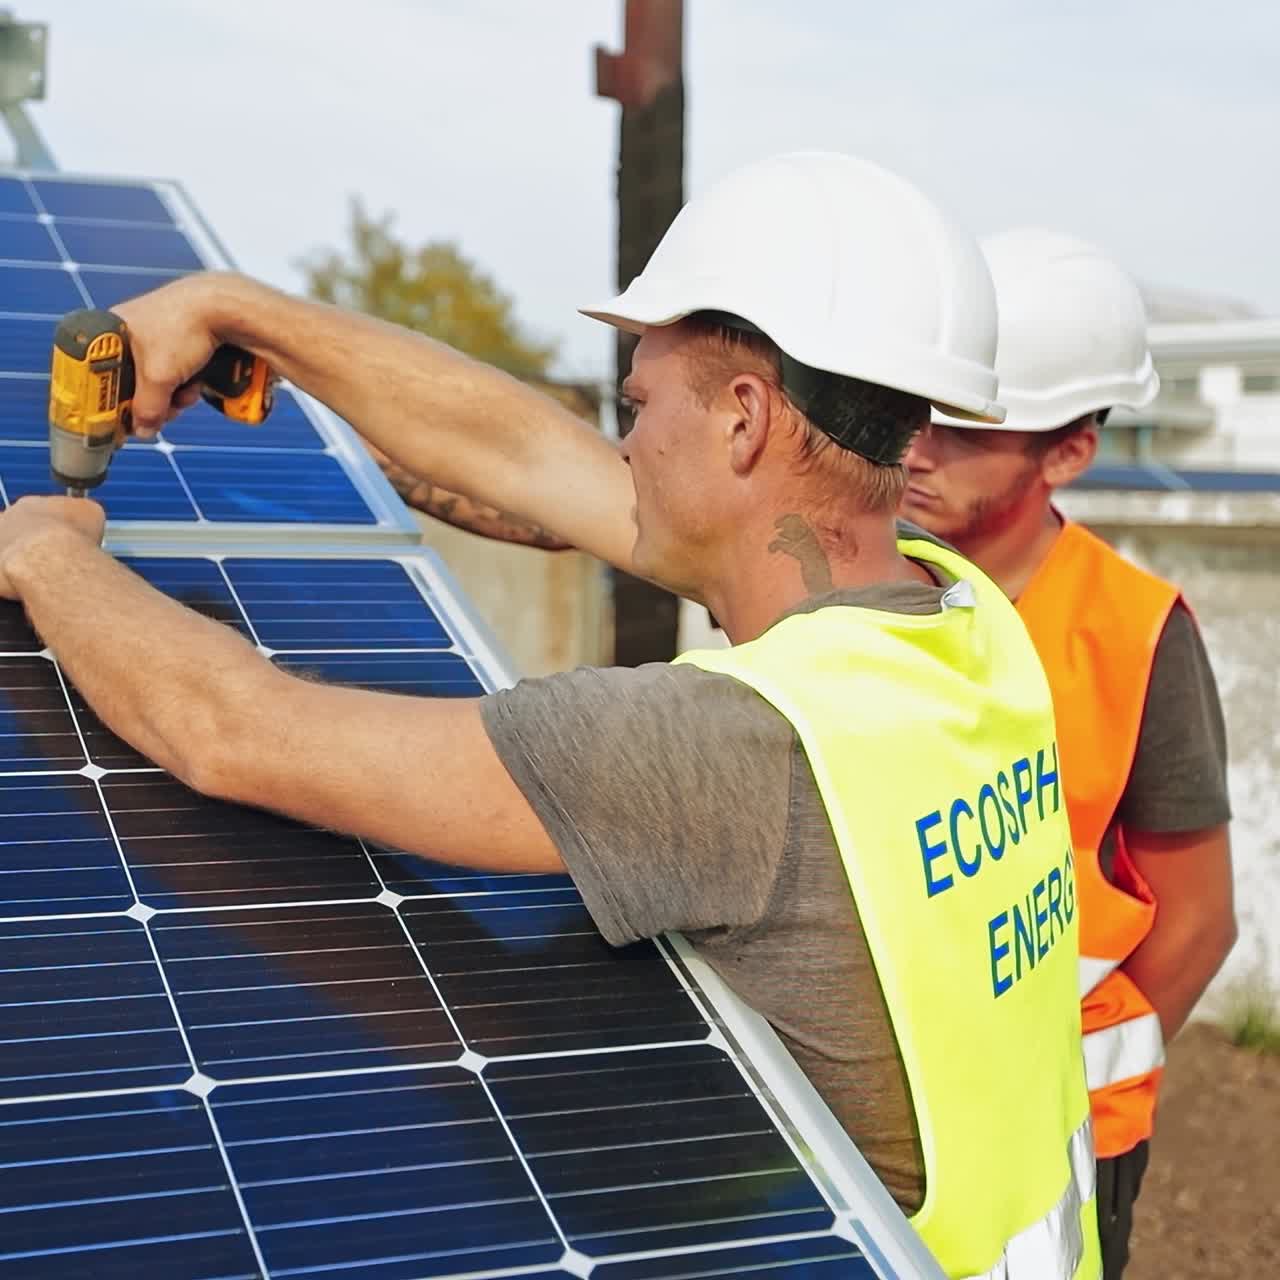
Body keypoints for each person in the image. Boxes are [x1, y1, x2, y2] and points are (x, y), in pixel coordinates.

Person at [0, 154, 1099, 1279]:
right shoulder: (956, 619)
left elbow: (230, 728)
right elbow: (523, 457)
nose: (621, 445)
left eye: (635, 406)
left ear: (743, 418)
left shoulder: (719, 747)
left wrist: (48, 558)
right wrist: (236, 311)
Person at [899, 229, 1236, 1279]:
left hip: (1062, 1137)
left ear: (1066, 452)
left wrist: (1059, 1088)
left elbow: (1194, 918)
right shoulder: (853, 586)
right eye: (913, 406)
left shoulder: (1133, 632)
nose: (914, 446)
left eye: (962, 430)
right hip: (876, 1113)